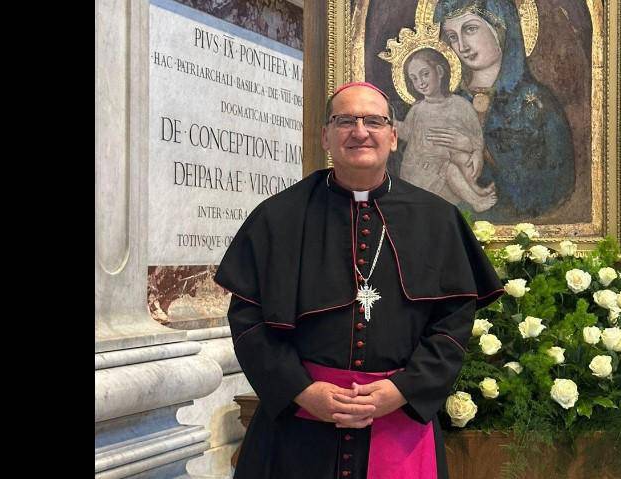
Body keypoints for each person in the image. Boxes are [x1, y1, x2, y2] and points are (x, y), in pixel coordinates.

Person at [214, 81, 504, 479]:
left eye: (374, 121)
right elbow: (248, 320)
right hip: (297, 430)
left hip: (398, 421)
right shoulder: (278, 217)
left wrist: (404, 389)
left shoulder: (437, 219)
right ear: (326, 136)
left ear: (394, 136)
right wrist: (301, 390)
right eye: (345, 121)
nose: (360, 131)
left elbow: (453, 323)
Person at [434, 0, 575, 221]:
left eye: (470, 29)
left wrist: (482, 150)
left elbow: (555, 184)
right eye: (452, 36)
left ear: (501, 28)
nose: (462, 46)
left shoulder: (537, 103)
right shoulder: (449, 103)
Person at [395, 47, 497, 212]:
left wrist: (477, 152)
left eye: (425, 74)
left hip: (446, 160)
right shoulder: (418, 109)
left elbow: (476, 136)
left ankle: (476, 190)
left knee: (463, 158)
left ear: (440, 71)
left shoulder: (460, 105)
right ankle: (476, 201)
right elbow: (406, 132)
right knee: (449, 168)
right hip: (420, 171)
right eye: (414, 78)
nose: (420, 82)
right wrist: (392, 124)